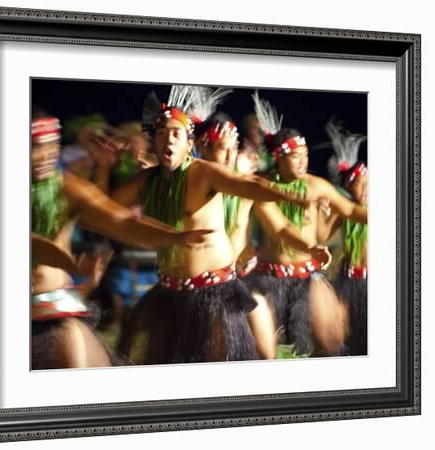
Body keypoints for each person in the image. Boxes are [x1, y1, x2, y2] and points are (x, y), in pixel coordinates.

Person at [113, 85, 310, 364]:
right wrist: (104, 167)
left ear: (189, 143)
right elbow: (104, 208)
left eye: (176, 133)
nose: (168, 140)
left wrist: (285, 195)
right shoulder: (148, 181)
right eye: (161, 133)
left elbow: (249, 187)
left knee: (247, 359)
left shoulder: (206, 173)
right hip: (171, 292)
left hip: (219, 291)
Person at [30, 114, 213, 369]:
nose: (45, 156)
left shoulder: (67, 188)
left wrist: (175, 236)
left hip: (56, 308)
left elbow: (122, 222)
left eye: (52, 146)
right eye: (36, 147)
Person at [195, 112, 331, 359]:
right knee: (217, 354)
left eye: (232, 149)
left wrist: (310, 247)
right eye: (221, 149)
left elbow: (280, 228)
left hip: (243, 280)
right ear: (202, 148)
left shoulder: (247, 185)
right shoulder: (192, 185)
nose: (229, 156)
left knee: (266, 352)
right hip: (207, 284)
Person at [242, 92, 368, 356]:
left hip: (308, 276)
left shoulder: (316, 185)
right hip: (268, 278)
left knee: (332, 341)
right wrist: (311, 248)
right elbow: (281, 230)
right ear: (278, 157)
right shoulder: (263, 188)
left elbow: (350, 210)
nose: (303, 160)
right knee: (265, 351)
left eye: (305, 154)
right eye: (295, 155)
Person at [317, 120, 368, 355]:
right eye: (361, 185)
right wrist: (322, 211)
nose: (367, 190)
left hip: (371, 281)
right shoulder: (344, 208)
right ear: (349, 186)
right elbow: (323, 236)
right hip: (348, 281)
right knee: (346, 332)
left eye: (369, 184)